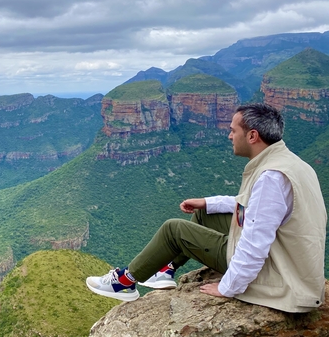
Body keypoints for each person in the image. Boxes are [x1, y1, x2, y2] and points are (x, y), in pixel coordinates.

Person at [86, 103, 327, 313]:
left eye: (233, 131)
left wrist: (228, 288)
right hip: (286, 256)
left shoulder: (271, 177)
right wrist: (208, 203)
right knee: (206, 212)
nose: (229, 136)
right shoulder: (291, 163)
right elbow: (259, 209)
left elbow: (255, 245)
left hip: (277, 273)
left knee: (173, 230)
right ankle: (166, 269)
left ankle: (125, 282)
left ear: (252, 136)